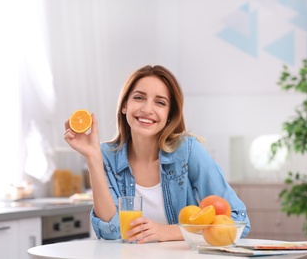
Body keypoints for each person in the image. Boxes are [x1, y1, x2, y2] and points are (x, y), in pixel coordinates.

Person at [64, 65, 250, 243]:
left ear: (169, 114)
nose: (147, 109)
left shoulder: (187, 151)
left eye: (160, 102)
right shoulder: (106, 156)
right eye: (139, 98)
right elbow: (110, 232)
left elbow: (238, 220)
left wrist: (167, 231)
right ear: (124, 106)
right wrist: (93, 158)